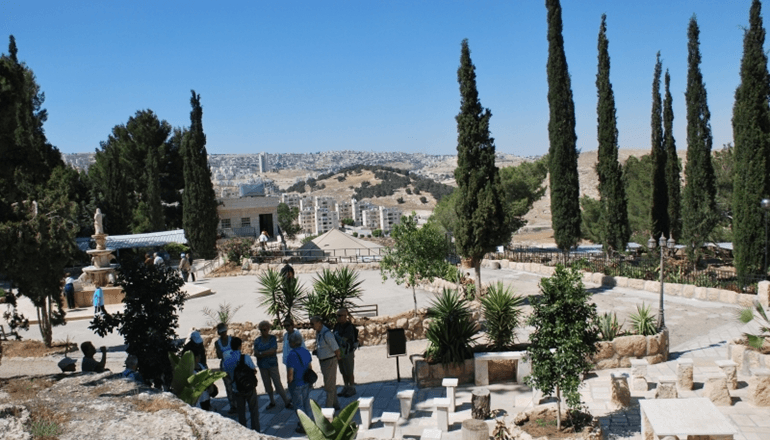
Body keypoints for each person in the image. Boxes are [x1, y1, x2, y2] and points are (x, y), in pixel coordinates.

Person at [222, 337, 260, 432]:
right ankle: (256, 431)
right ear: (240, 346)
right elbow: (253, 370)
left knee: (241, 413)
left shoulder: (227, 361)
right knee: (254, 411)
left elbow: (226, 375)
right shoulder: (246, 357)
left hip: (236, 389)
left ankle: (244, 433)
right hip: (249, 387)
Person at [253, 320, 292, 410]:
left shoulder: (272, 338)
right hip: (262, 366)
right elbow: (255, 352)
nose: (263, 332)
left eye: (265, 329)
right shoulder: (257, 340)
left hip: (272, 364)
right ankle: (272, 401)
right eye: (262, 330)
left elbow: (273, 350)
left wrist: (261, 353)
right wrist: (264, 353)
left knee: (277, 383)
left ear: (268, 329)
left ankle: (286, 401)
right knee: (267, 384)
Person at [310, 315, 341, 410]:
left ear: (319, 323)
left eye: (312, 324)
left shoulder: (327, 334)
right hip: (323, 361)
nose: (311, 326)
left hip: (329, 361)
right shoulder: (319, 333)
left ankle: (328, 408)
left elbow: (336, 349)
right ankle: (336, 404)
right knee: (330, 383)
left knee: (329, 387)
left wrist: (337, 360)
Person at [286, 331, 313, 434]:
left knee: (298, 405)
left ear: (292, 343)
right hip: (306, 381)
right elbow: (310, 367)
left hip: (296, 383)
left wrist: (289, 383)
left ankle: (303, 425)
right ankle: (309, 422)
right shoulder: (306, 352)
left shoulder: (291, 355)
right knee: (306, 403)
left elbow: (290, 374)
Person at [333, 308, 357, 397]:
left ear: (345, 316)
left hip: (347, 352)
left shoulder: (349, 327)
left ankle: (352, 387)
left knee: (349, 370)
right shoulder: (337, 326)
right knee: (343, 370)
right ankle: (346, 386)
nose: (338, 318)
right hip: (339, 352)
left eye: (339, 316)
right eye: (337, 315)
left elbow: (346, 339)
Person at [215, 323, 237, 413]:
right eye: (221, 332)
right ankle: (232, 405)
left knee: (236, 385)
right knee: (228, 387)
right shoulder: (217, 343)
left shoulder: (232, 339)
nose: (223, 334)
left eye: (224, 332)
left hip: (234, 365)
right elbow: (219, 356)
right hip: (225, 366)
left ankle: (239, 403)